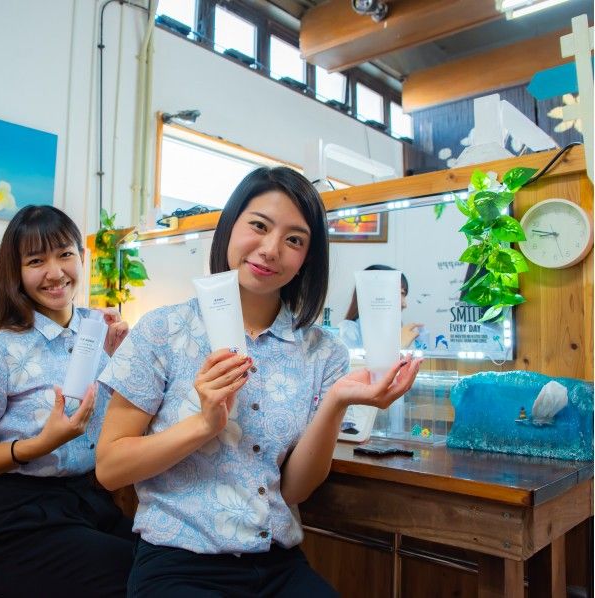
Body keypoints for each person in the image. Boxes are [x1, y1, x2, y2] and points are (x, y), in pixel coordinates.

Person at [96, 167, 421, 597]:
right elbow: (110, 468)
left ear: (308, 257)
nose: (271, 250)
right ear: (230, 226)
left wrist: (337, 401)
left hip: (277, 564)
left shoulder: (323, 352)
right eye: (259, 226)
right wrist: (203, 425)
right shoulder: (163, 330)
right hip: (178, 563)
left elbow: (294, 489)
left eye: (294, 240)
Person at [0, 205, 133, 598]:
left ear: (82, 258)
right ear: (16, 271)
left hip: (90, 502)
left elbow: (119, 422)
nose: (54, 272)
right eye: (36, 260)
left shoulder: (99, 331)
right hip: (16, 521)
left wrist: (122, 362)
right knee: (136, 578)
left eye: (65, 254)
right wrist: (39, 445)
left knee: (171, 566)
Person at [338, 264, 422, 350]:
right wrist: (398, 346)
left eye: (404, 295)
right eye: (401, 293)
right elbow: (352, 363)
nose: (404, 304)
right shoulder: (349, 331)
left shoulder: (396, 332)